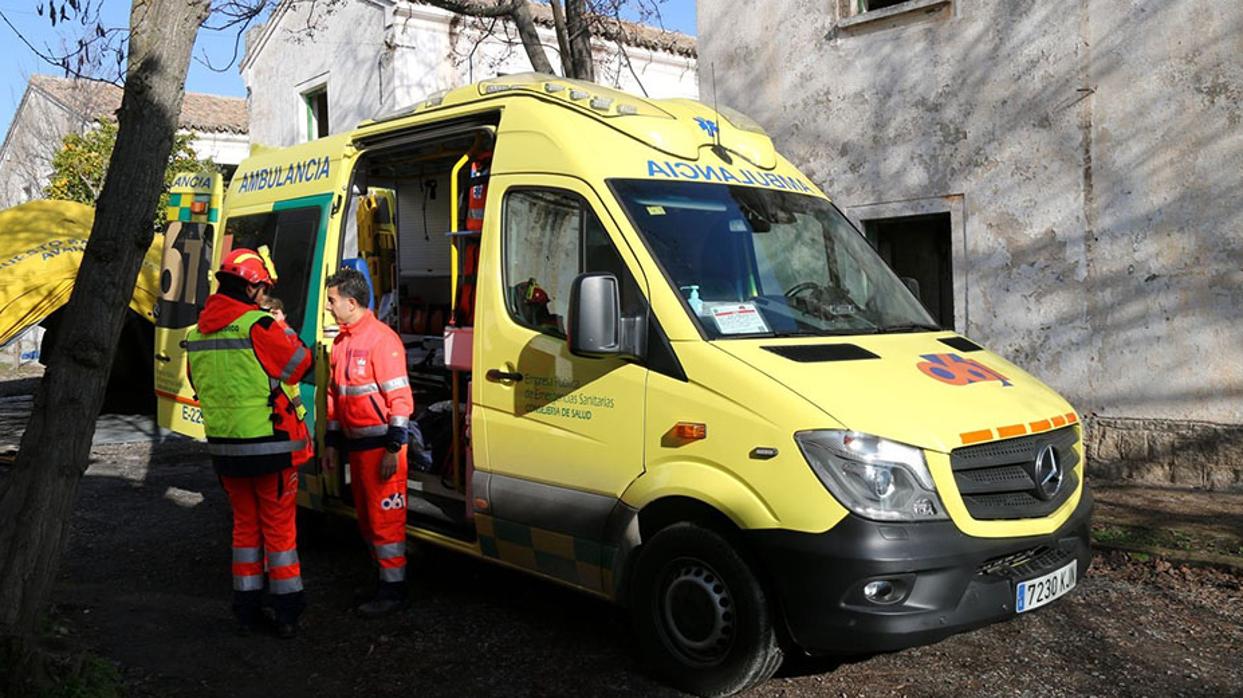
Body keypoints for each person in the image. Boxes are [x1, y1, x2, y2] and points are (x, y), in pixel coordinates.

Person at [186, 247, 314, 638]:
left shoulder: (195, 333)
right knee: (279, 532)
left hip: (224, 450)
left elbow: (198, 384)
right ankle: (287, 610)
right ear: (252, 287)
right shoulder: (258, 326)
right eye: (262, 290)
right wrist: (286, 329)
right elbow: (298, 365)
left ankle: (246, 608)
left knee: (244, 529)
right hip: (269, 448)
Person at [322, 267, 414, 617]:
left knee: (386, 523)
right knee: (367, 520)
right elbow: (336, 396)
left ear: (351, 301)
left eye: (332, 301)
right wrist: (332, 442)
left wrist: (394, 446)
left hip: (381, 450)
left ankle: (394, 591)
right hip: (357, 449)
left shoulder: (381, 340)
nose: (329, 307)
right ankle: (383, 582)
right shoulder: (343, 342)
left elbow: (400, 400)